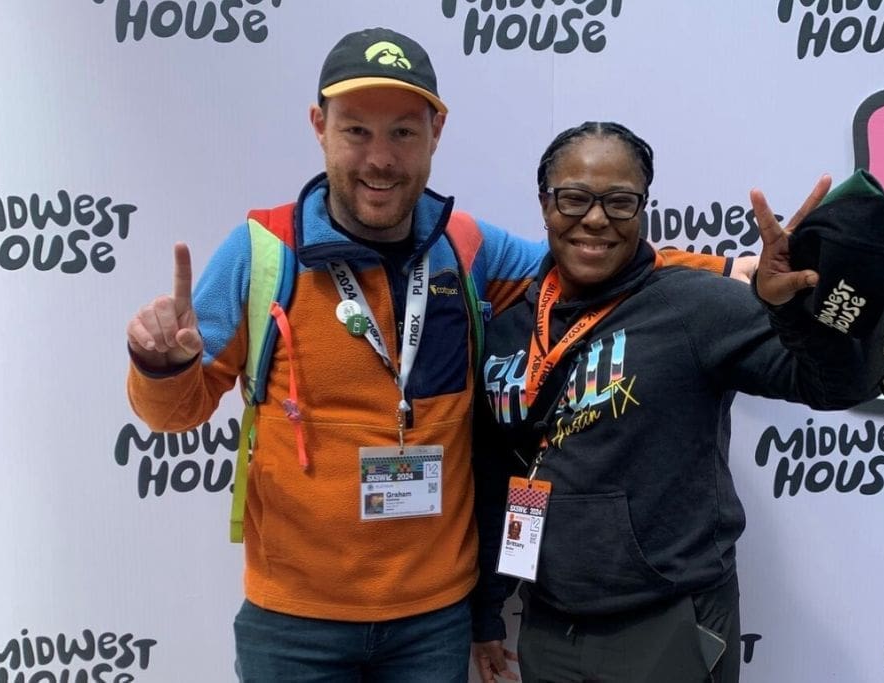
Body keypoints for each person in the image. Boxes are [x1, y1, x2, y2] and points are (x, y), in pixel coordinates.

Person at [125, 27, 746, 682]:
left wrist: (731, 270)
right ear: (319, 126)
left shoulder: (466, 245)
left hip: (432, 619)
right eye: (357, 131)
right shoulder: (262, 251)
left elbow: (597, 266)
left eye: (402, 133)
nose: (380, 159)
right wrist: (161, 365)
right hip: (295, 621)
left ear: (435, 132)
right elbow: (175, 413)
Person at [469, 122, 884, 683]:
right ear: (544, 204)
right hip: (548, 627)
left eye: (620, 201)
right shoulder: (512, 330)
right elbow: (502, 479)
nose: (595, 219)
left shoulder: (696, 308)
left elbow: (829, 386)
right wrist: (487, 610)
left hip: (667, 623)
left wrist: (793, 312)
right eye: (573, 198)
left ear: (643, 208)